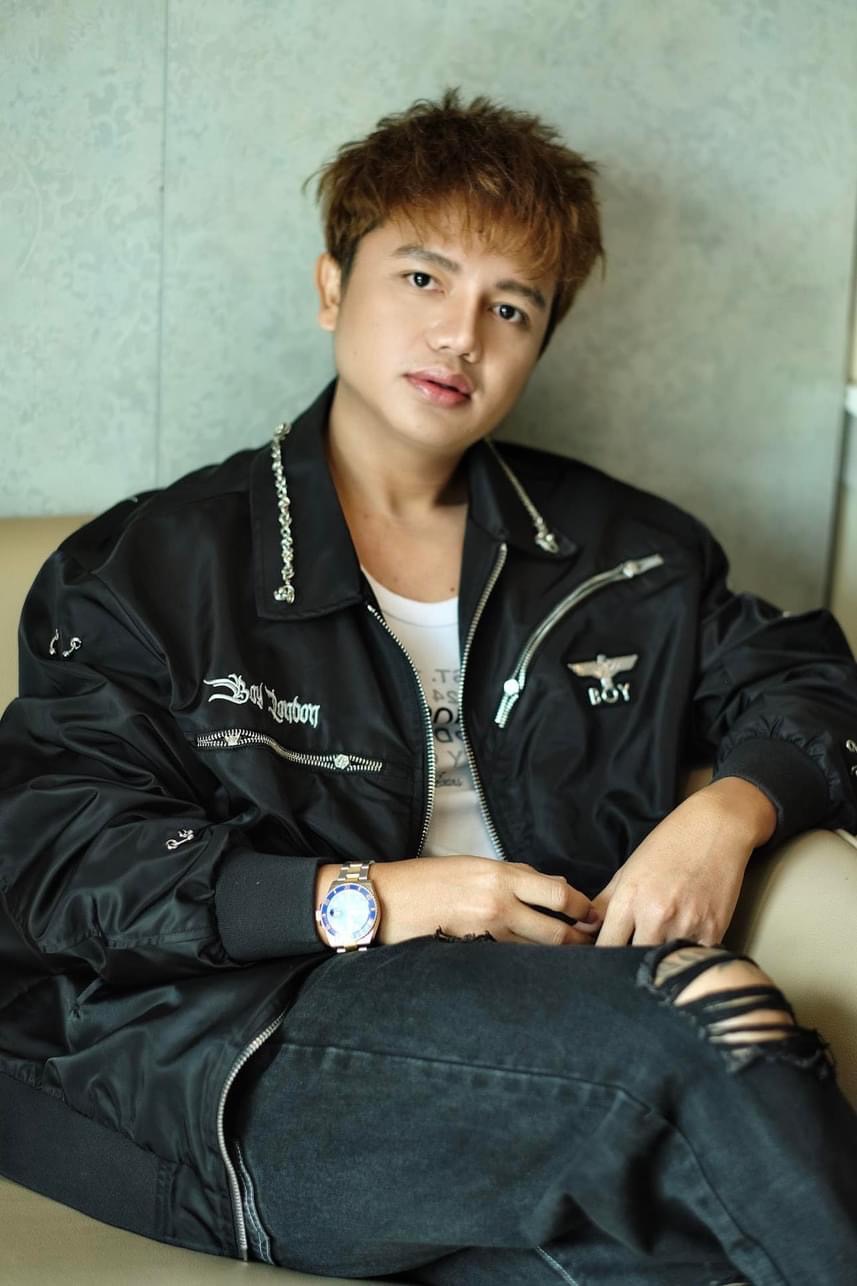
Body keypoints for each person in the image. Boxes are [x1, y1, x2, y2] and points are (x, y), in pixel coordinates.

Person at [1, 88, 856, 1286]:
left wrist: (726, 813)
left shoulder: (628, 557)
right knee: (700, 1013)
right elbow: (59, 859)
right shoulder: (151, 565)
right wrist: (372, 897)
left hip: (544, 1039)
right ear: (330, 287)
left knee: (685, 1259)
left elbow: (807, 679)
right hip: (244, 1057)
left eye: (510, 306)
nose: (461, 335)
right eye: (422, 277)